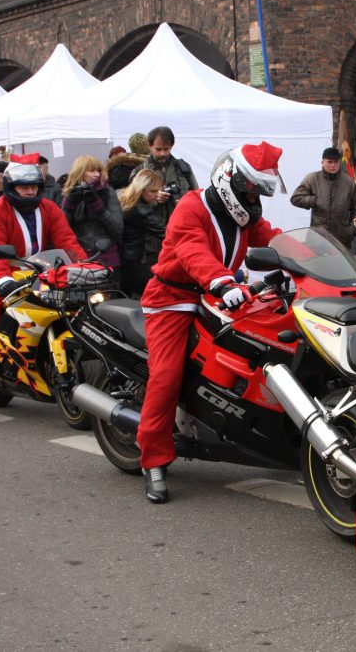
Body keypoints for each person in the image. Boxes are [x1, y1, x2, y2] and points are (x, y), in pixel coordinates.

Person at [137, 142, 284, 504]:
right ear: (229, 179)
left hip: (221, 295)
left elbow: (272, 238)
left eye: (258, 191)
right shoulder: (191, 207)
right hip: (173, 299)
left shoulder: (245, 214)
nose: (253, 198)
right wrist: (221, 279)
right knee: (167, 374)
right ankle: (154, 458)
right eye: (249, 189)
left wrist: (309, 258)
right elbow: (191, 251)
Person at [0, 156, 85, 423]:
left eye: (33, 186)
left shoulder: (50, 208)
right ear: (10, 186)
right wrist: (2, 280)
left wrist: (83, 268)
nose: (29, 191)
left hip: (37, 272)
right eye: (23, 187)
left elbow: (67, 241)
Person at [61, 155, 123, 271]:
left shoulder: (108, 192)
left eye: (99, 170)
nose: (97, 174)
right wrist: (69, 207)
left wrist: (98, 208)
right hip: (79, 259)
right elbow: (63, 231)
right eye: (92, 170)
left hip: (107, 259)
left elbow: (118, 228)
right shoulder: (70, 194)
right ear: (80, 172)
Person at [290, 147, 356, 245]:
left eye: (336, 162)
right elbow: (295, 198)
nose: (333, 165)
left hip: (342, 240)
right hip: (318, 239)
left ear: (340, 162)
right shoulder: (313, 179)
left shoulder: (349, 182)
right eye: (329, 162)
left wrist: (351, 231)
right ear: (322, 162)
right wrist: (315, 200)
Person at [119, 169, 172, 298]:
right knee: (160, 295)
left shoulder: (121, 197)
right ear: (141, 189)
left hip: (119, 260)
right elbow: (167, 233)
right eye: (153, 191)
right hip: (133, 263)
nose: (157, 194)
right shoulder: (142, 211)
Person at [128, 126, 199, 195]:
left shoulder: (184, 169)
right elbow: (132, 202)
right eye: (158, 149)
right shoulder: (139, 171)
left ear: (171, 146)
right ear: (150, 146)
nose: (162, 153)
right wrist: (156, 201)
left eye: (166, 149)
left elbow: (196, 197)